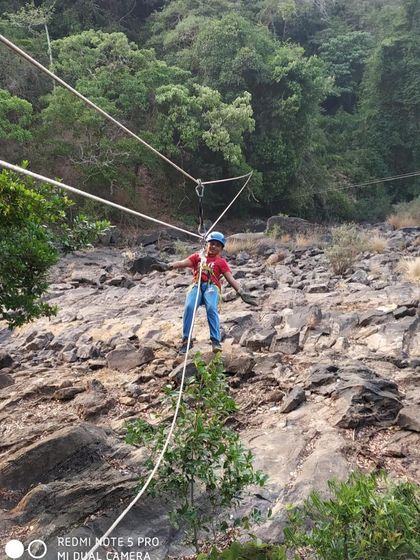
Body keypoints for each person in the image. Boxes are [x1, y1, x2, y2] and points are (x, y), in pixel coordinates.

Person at [153, 231, 257, 354]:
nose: (214, 246)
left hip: (211, 288)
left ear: (221, 248)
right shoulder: (198, 257)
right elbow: (182, 263)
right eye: (211, 243)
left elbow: (231, 278)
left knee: (212, 308)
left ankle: (215, 341)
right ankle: (186, 341)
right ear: (206, 244)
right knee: (189, 307)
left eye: (217, 245)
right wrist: (168, 266)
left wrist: (241, 292)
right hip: (196, 286)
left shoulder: (221, 262)